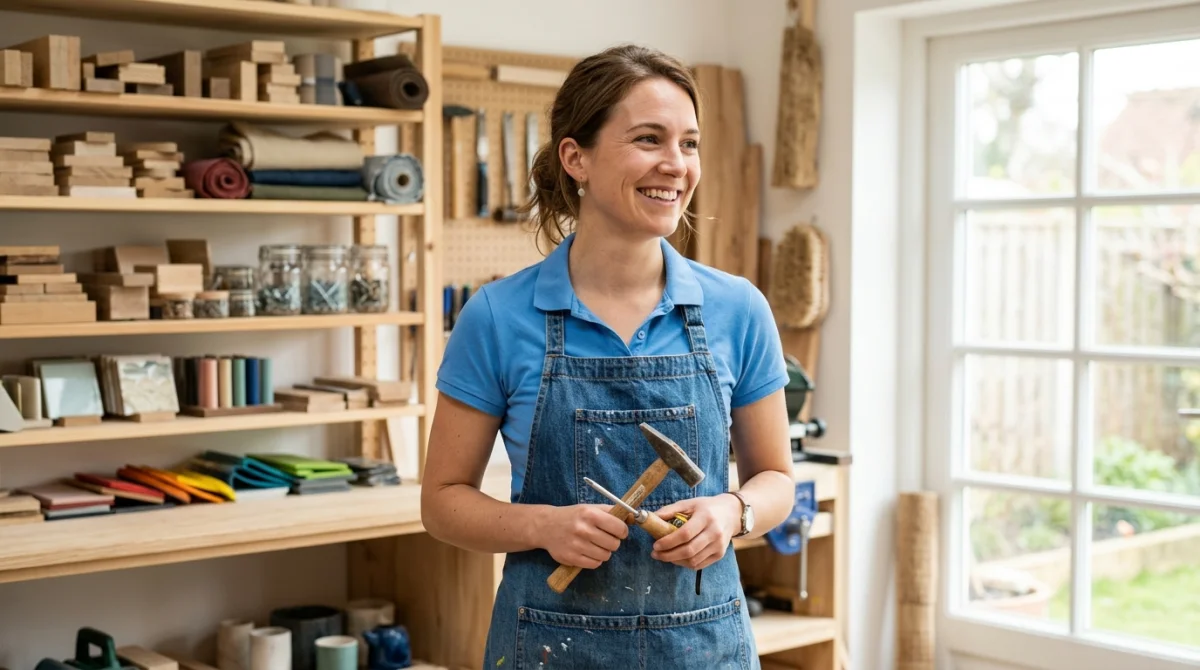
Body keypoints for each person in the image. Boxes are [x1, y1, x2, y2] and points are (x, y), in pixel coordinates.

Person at [421, 43, 796, 669]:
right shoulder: (495, 316)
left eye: (690, 143)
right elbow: (441, 502)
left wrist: (734, 511)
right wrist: (542, 526)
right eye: (649, 139)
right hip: (549, 646)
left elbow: (777, 481)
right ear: (577, 158)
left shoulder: (739, 309)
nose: (676, 165)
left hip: (702, 649)